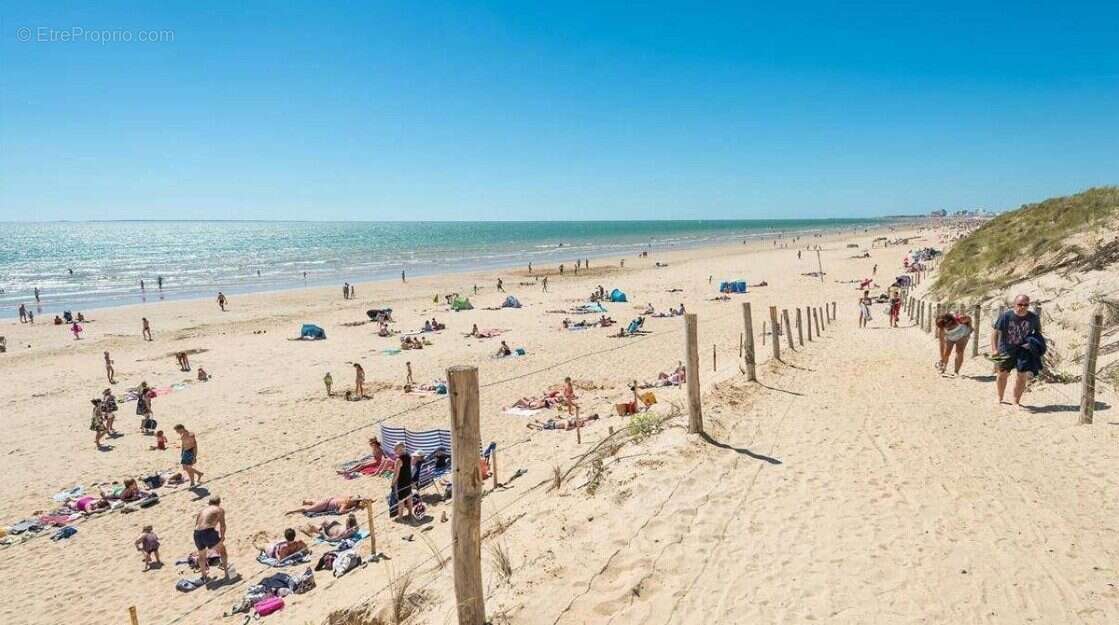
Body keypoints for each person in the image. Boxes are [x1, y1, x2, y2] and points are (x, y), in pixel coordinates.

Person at [991, 295, 1043, 406]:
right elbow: (995, 332)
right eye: (1020, 304)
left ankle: (1016, 401)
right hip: (1006, 349)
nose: (1022, 307)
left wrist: (1033, 344)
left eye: (1026, 305)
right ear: (1014, 304)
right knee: (1002, 374)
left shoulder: (1033, 318)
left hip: (1024, 350)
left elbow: (1038, 333)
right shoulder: (1006, 316)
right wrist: (995, 349)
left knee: (1022, 375)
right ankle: (1000, 397)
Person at [193, 496, 230, 580]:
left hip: (196, 533)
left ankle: (204, 576)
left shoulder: (202, 511)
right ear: (219, 503)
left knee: (201, 555)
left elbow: (197, 525)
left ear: (209, 503)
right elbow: (222, 526)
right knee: (222, 550)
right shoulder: (219, 509)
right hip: (208, 532)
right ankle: (227, 573)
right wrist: (222, 537)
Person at [936, 312, 973, 377]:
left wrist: (970, 327)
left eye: (946, 326)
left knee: (959, 351)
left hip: (963, 334)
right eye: (943, 327)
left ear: (951, 321)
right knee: (946, 352)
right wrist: (942, 358)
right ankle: (943, 368)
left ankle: (956, 371)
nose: (946, 327)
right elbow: (941, 344)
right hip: (950, 336)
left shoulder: (960, 318)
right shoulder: (941, 328)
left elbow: (969, 318)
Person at [391, 442, 414, 521]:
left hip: (402, 481)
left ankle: (400, 517)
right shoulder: (409, 456)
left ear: (399, 449)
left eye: (395, 449)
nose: (394, 451)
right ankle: (410, 513)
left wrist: (393, 483)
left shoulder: (399, 460)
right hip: (408, 479)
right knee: (409, 496)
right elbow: (409, 468)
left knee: (401, 500)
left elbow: (396, 474)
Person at [284, 495, 366, 516]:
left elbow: (361, 500)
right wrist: (350, 510)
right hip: (326, 505)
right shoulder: (345, 504)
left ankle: (306, 501)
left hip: (329, 500)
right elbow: (341, 512)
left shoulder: (348, 498)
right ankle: (292, 511)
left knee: (316, 503)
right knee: (308, 510)